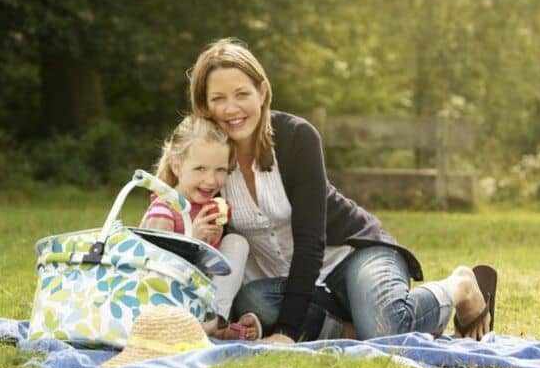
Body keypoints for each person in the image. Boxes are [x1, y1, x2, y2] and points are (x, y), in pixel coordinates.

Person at [188, 38, 494, 343]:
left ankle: (461, 286)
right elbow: (182, 218)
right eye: (218, 99)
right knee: (252, 303)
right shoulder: (206, 163)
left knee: (385, 330)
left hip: (352, 258)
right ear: (204, 106)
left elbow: (310, 242)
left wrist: (286, 333)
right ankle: (359, 327)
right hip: (291, 285)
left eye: (242, 94)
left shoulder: (296, 138)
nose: (231, 108)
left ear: (262, 92)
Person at [140, 114, 262, 340]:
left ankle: (216, 319)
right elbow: (153, 273)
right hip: (167, 302)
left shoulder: (208, 207)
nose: (211, 181)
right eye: (200, 169)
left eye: (220, 170)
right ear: (176, 167)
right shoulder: (164, 209)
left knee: (236, 242)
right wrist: (192, 239)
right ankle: (208, 325)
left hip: (200, 298)